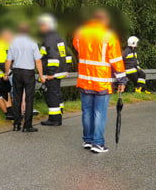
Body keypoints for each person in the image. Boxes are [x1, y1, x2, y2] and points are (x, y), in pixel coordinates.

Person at [73, 9, 127, 154]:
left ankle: (88, 140)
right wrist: (122, 79)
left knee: (87, 112)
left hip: (85, 80)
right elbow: (116, 59)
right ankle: (97, 143)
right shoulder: (109, 36)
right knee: (99, 113)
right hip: (102, 81)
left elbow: (77, 47)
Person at [4, 22, 45, 132]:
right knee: (29, 99)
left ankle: (16, 124)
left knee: (17, 98)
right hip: (28, 73)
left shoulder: (13, 42)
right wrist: (41, 76)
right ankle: (27, 126)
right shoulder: (32, 43)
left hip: (17, 72)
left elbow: (8, 60)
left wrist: (6, 74)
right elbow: (38, 61)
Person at [38, 14, 70, 127]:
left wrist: (50, 74)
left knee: (51, 95)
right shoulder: (58, 37)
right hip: (60, 71)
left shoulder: (49, 40)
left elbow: (52, 58)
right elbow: (68, 55)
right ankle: (58, 114)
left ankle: (54, 119)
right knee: (56, 93)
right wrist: (66, 68)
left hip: (52, 73)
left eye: (41, 25)